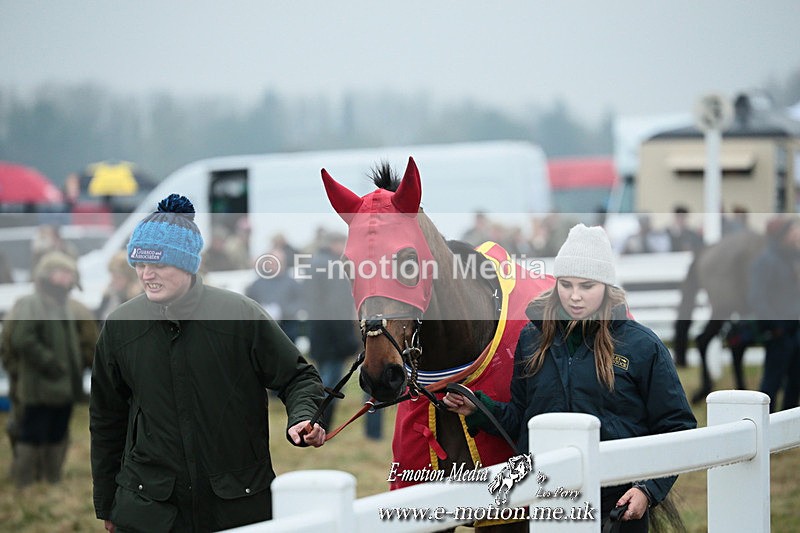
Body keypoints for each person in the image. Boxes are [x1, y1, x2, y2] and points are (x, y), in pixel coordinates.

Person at [90, 194, 327, 532]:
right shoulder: (119, 328)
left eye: (158, 264)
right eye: (140, 264)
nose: (146, 274)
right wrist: (108, 504)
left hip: (237, 507)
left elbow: (298, 377)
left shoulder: (240, 316)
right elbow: (105, 419)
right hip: (149, 510)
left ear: (187, 264)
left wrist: (302, 417)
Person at [444, 223, 696, 532]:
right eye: (566, 284)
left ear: (606, 287)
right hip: (548, 500)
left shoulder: (643, 346)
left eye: (586, 286)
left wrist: (648, 489)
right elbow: (525, 420)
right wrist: (481, 409)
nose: (574, 296)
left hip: (616, 508)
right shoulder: (532, 340)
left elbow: (676, 426)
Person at [3, 251, 98, 487]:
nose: (68, 278)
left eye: (69, 274)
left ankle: (51, 480)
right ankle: (24, 484)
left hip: (61, 388)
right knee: (32, 435)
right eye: (63, 273)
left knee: (56, 434)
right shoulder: (32, 304)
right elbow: (22, 338)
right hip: (39, 387)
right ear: (48, 274)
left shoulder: (62, 303)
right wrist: (51, 364)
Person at [304, 230, 360, 430]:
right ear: (335, 243)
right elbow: (337, 307)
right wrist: (348, 341)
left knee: (320, 383)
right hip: (334, 338)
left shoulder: (314, 263)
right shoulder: (333, 266)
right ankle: (321, 426)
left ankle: (314, 422)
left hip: (319, 334)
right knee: (331, 387)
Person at [747, 216, 800, 413]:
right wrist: (775, 327)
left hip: (795, 332)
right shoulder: (766, 262)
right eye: (793, 231)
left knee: (795, 382)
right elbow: (757, 299)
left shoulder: (792, 258)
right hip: (779, 334)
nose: (797, 235)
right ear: (782, 235)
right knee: (772, 382)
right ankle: (765, 425)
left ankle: (790, 427)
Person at [245, 247, 304, 342]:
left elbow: (301, 302)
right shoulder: (256, 285)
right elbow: (248, 305)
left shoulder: (291, 283)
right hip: (263, 329)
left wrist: (284, 311)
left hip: (287, 328)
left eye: (279, 261)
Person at [95, 250, 143, 322]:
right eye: (113, 276)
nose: (114, 280)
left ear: (129, 278)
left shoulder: (137, 301)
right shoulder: (109, 296)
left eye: (118, 277)